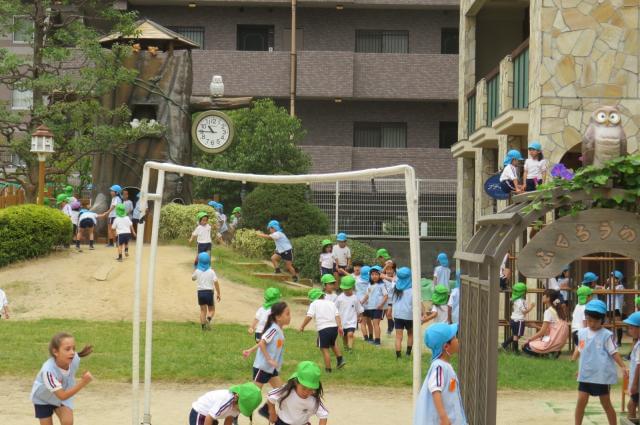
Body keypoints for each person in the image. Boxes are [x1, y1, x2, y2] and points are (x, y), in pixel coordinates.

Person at [572, 300, 628, 425]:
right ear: (586, 318)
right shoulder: (582, 333)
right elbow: (582, 349)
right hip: (586, 375)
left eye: (596, 321)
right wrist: (579, 367)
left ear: (603, 320)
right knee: (581, 401)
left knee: (606, 403)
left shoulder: (607, 335)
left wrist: (623, 366)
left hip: (601, 376)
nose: (592, 323)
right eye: (590, 320)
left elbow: (614, 353)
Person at [30, 332, 93, 425]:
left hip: (62, 395)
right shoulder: (48, 371)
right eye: (67, 349)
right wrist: (83, 382)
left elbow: (62, 396)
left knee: (68, 422)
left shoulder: (74, 359)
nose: (72, 352)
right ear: (55, 352)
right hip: (43, 398)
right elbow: (62, 395)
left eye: (73, 348)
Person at [414, 323, 466, 425]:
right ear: (446, 346)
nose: (458, 340)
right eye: (455, 338)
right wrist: (443, 417)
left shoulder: (445, 366)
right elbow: (435, 391)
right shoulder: (439, 366)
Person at [243, 302, 290, 390]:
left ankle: (269, 404)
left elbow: (263, 342)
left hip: (271, 369)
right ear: (278, 317)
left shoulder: (278, 330)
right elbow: (262, 343)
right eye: (287, 314)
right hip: (263, 367)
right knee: (254, 395)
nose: (290, 317)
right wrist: (269, 359)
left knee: (281, 392)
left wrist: (250, 350)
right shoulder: (274, 329)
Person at [266, 361, 329, 425]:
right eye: (304, 388)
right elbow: (271, 397)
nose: (306, 393)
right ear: (296, 383)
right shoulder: (286, 390)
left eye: (311, 389)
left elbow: (323, 415)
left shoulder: (313, 399)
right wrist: (272, 413)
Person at [299, 288, 345, 371]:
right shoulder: (331, 303)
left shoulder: (314, 304)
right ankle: (340, 359)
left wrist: (302, 326)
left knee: (324, 349)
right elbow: (337, 315)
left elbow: (309, 316)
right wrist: (340, 326)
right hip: (334, 328)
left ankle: (328, 369)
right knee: (333, 344)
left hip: (323, 329)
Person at [522, 289, 569, 357]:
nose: (542, 296)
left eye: (544, 295)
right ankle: (553, 352)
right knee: (538, 340)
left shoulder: (548, 312)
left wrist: (529, 339)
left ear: (548, 298)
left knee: (526, 346)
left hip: (553, 341)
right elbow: (549, 330)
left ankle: (548, 353)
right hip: (558, 343)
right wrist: (535, 326)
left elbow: (543, 331)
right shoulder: (557, 310)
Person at [189, 382, 262, 425]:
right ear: (236, 397)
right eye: (241, 408)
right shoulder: (225, 400)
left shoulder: (237, 405)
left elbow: (229, 419)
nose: (239, 411)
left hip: (211, 416)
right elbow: (209, 417)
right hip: (200, 414)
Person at [501, 282, 535, 353]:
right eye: (525, 291)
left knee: (515, 335)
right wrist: (531, 307)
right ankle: (514, 350)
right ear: (522, 292)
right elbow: (524, 312)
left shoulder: (516, 299)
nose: (526, 292)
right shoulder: (520, 301)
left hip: (514, 319)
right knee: (517, 335)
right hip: (518, 320)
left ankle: (505, 345)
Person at [192, 252, 221, 331]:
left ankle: (203, 327)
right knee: (212, 310)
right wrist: (218, 293)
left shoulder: (197, 271)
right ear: (208, 261)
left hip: (200, 293)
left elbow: (193, 278)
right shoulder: (211, 271)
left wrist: (195, 268)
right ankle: (208, 320)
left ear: (199, 261)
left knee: (202, 310)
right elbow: (216, 282)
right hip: (209, 292)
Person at [334, 275, 363, 352]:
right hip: (342, 321)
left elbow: (359, 308)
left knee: (350, 334)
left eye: (348, 289)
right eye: (344, 289)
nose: (346, 291)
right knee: (344, 336)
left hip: (352, 321)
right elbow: (334, 308)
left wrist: (360, 316)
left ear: (352, 288)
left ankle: (350, 349)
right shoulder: (339, 298)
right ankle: (346, 347)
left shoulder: (355, 298)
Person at [392, 267, 416, 359]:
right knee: (410, 334)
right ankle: (408, 354)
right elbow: (417, 303)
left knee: (398, 336)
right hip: (409, 315)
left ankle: (398, 357)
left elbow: (393, 301)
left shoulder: (396, 287)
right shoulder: (413, 290)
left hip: (397, 315)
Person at [363, 265, 388, 346]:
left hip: (378, 308)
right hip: (370, 307)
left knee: (375, 323)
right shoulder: (369, 285)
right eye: (372, 274)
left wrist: (380, 305)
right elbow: (367, 295)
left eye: (376, 274)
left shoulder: (382, 285)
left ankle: (377, 340)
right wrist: (361, 302)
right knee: (374, 323)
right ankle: (376, 339)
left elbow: (385, 296)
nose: (374, 276)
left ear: (380, 275)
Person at [624, 312, 640, 421]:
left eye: (631, 328)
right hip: (636, 383)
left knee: (632, 405)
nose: (629, 331)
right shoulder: (637, 343)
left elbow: (639, 365)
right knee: (631, 406)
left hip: (638, 384)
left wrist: (634, 384)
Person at [606, 270, 625, 346]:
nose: (610, 279)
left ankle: (619, 341)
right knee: (608, 324)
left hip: (616, 308)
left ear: (618, 279)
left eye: (613, 277)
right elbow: (605, 290)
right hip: (609, 308)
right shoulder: (608, 287)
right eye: (610, 277)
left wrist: (611, 283)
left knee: (618, 324)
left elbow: (614, 290)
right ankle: (608, 340)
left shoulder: (620, 286)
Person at [355, 264, 371, 341]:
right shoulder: (371, 282)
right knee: (369, 322)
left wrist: (360, 303)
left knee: (362, 323)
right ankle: (371, 337)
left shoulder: (357, 280)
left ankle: (366, 338)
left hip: (361, 304)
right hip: (370, 304)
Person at [383, 260, 397, 336]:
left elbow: (393, 280)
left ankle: (390, 328)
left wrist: (390, 263)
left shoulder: (395, 277)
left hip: (394, 299)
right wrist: (386, 266)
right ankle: (390, 327)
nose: (388, 271)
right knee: (388, 315)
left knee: (389, 314)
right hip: (386, 299)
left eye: (390, 269)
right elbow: (380, 273)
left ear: (394, 270)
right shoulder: (383, 277)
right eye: (387, 269)